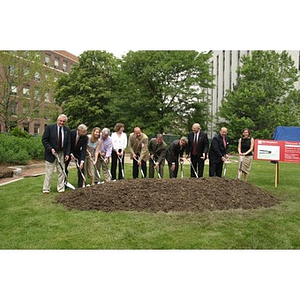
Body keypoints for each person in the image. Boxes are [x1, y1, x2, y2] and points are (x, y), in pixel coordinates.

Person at [42, 114, 71, 193]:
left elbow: (68, 143)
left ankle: (61, 188)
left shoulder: (67, 130)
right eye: (60, 121)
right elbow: (44, 140)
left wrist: (67, 154)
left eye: (63, 121)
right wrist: (50, 148)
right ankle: (46, 189)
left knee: (61, 171)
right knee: (49, 172)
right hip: (51, 153)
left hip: (61, 153)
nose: (61, 123)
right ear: (57, 120)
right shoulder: (49, 128)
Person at [65, 124, 88, 188]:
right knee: (64, 167)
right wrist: (70, 153)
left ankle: (80, 185)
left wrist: (82, 161)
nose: (84, 133)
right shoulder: (71, 133)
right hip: (68, 151)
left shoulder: (85, 137)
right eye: (83, 132)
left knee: (81, 168)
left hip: (78, 153)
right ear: (78, 130)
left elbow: (83, 149)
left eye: (85, 132)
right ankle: (64, 183)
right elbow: (68, 144)